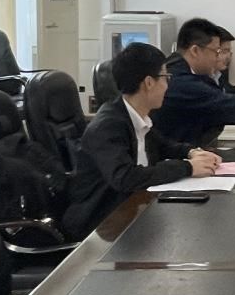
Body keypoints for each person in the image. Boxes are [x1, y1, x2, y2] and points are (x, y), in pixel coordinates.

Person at [65, 42, 221, 238]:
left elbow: (163, 145)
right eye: (165, 77)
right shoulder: (108, 126)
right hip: (102, 224)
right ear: (149, 82)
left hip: (135, 210)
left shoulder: (135, 115)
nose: (167, 85)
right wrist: (188, 167)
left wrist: (192, 152)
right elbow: (125, 178)